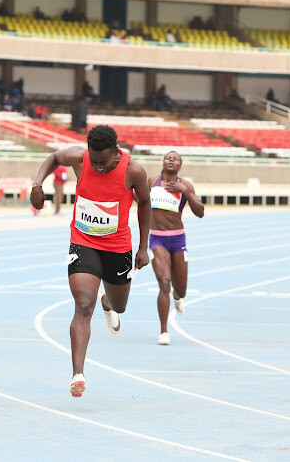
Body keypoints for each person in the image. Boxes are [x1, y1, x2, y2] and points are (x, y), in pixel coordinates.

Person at [30, 125, 151, 397]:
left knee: (120, 305)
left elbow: (144, 203)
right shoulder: (79, 158)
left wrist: (143, 247)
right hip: (83, 240)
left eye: (103, 162)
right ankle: (78, 374)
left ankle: (108, 302)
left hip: (117, 246)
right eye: (93, 161)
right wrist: (37, 185)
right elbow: (53, 157)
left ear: (116, 152)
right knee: (83, 304)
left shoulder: (134, 171)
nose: (97, 166)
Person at [148, 151, 204, 345]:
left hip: (178, 239)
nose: (171, 160)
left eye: (175, 159)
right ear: (163, 162)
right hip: (157, 239)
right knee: (164, 282)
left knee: (180, 290)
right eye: (168, 158)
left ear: (180, 166)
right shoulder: (152, 181)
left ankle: (177, 297)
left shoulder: (186, 185)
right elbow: (140, 200)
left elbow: (200, 212)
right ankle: (164, 331)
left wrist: (185, 191)